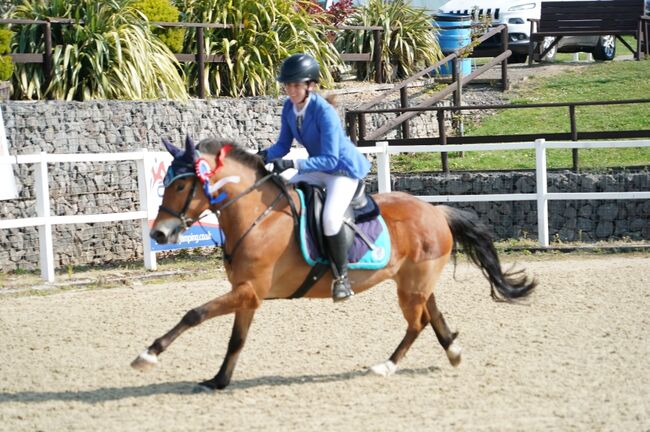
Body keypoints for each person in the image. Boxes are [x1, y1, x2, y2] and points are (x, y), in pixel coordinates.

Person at [259, 53, 371, 303]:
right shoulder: (289, 107)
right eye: (288, 85)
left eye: (296, 84)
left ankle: (341, 279)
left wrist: (291, 163)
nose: (291, 89)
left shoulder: (324, 112)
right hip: (316, 168)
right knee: (283, 196)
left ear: (310, 85)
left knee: (331, 219)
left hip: (342, 170)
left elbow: (330, 159)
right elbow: (282, 146)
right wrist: (262, 156)